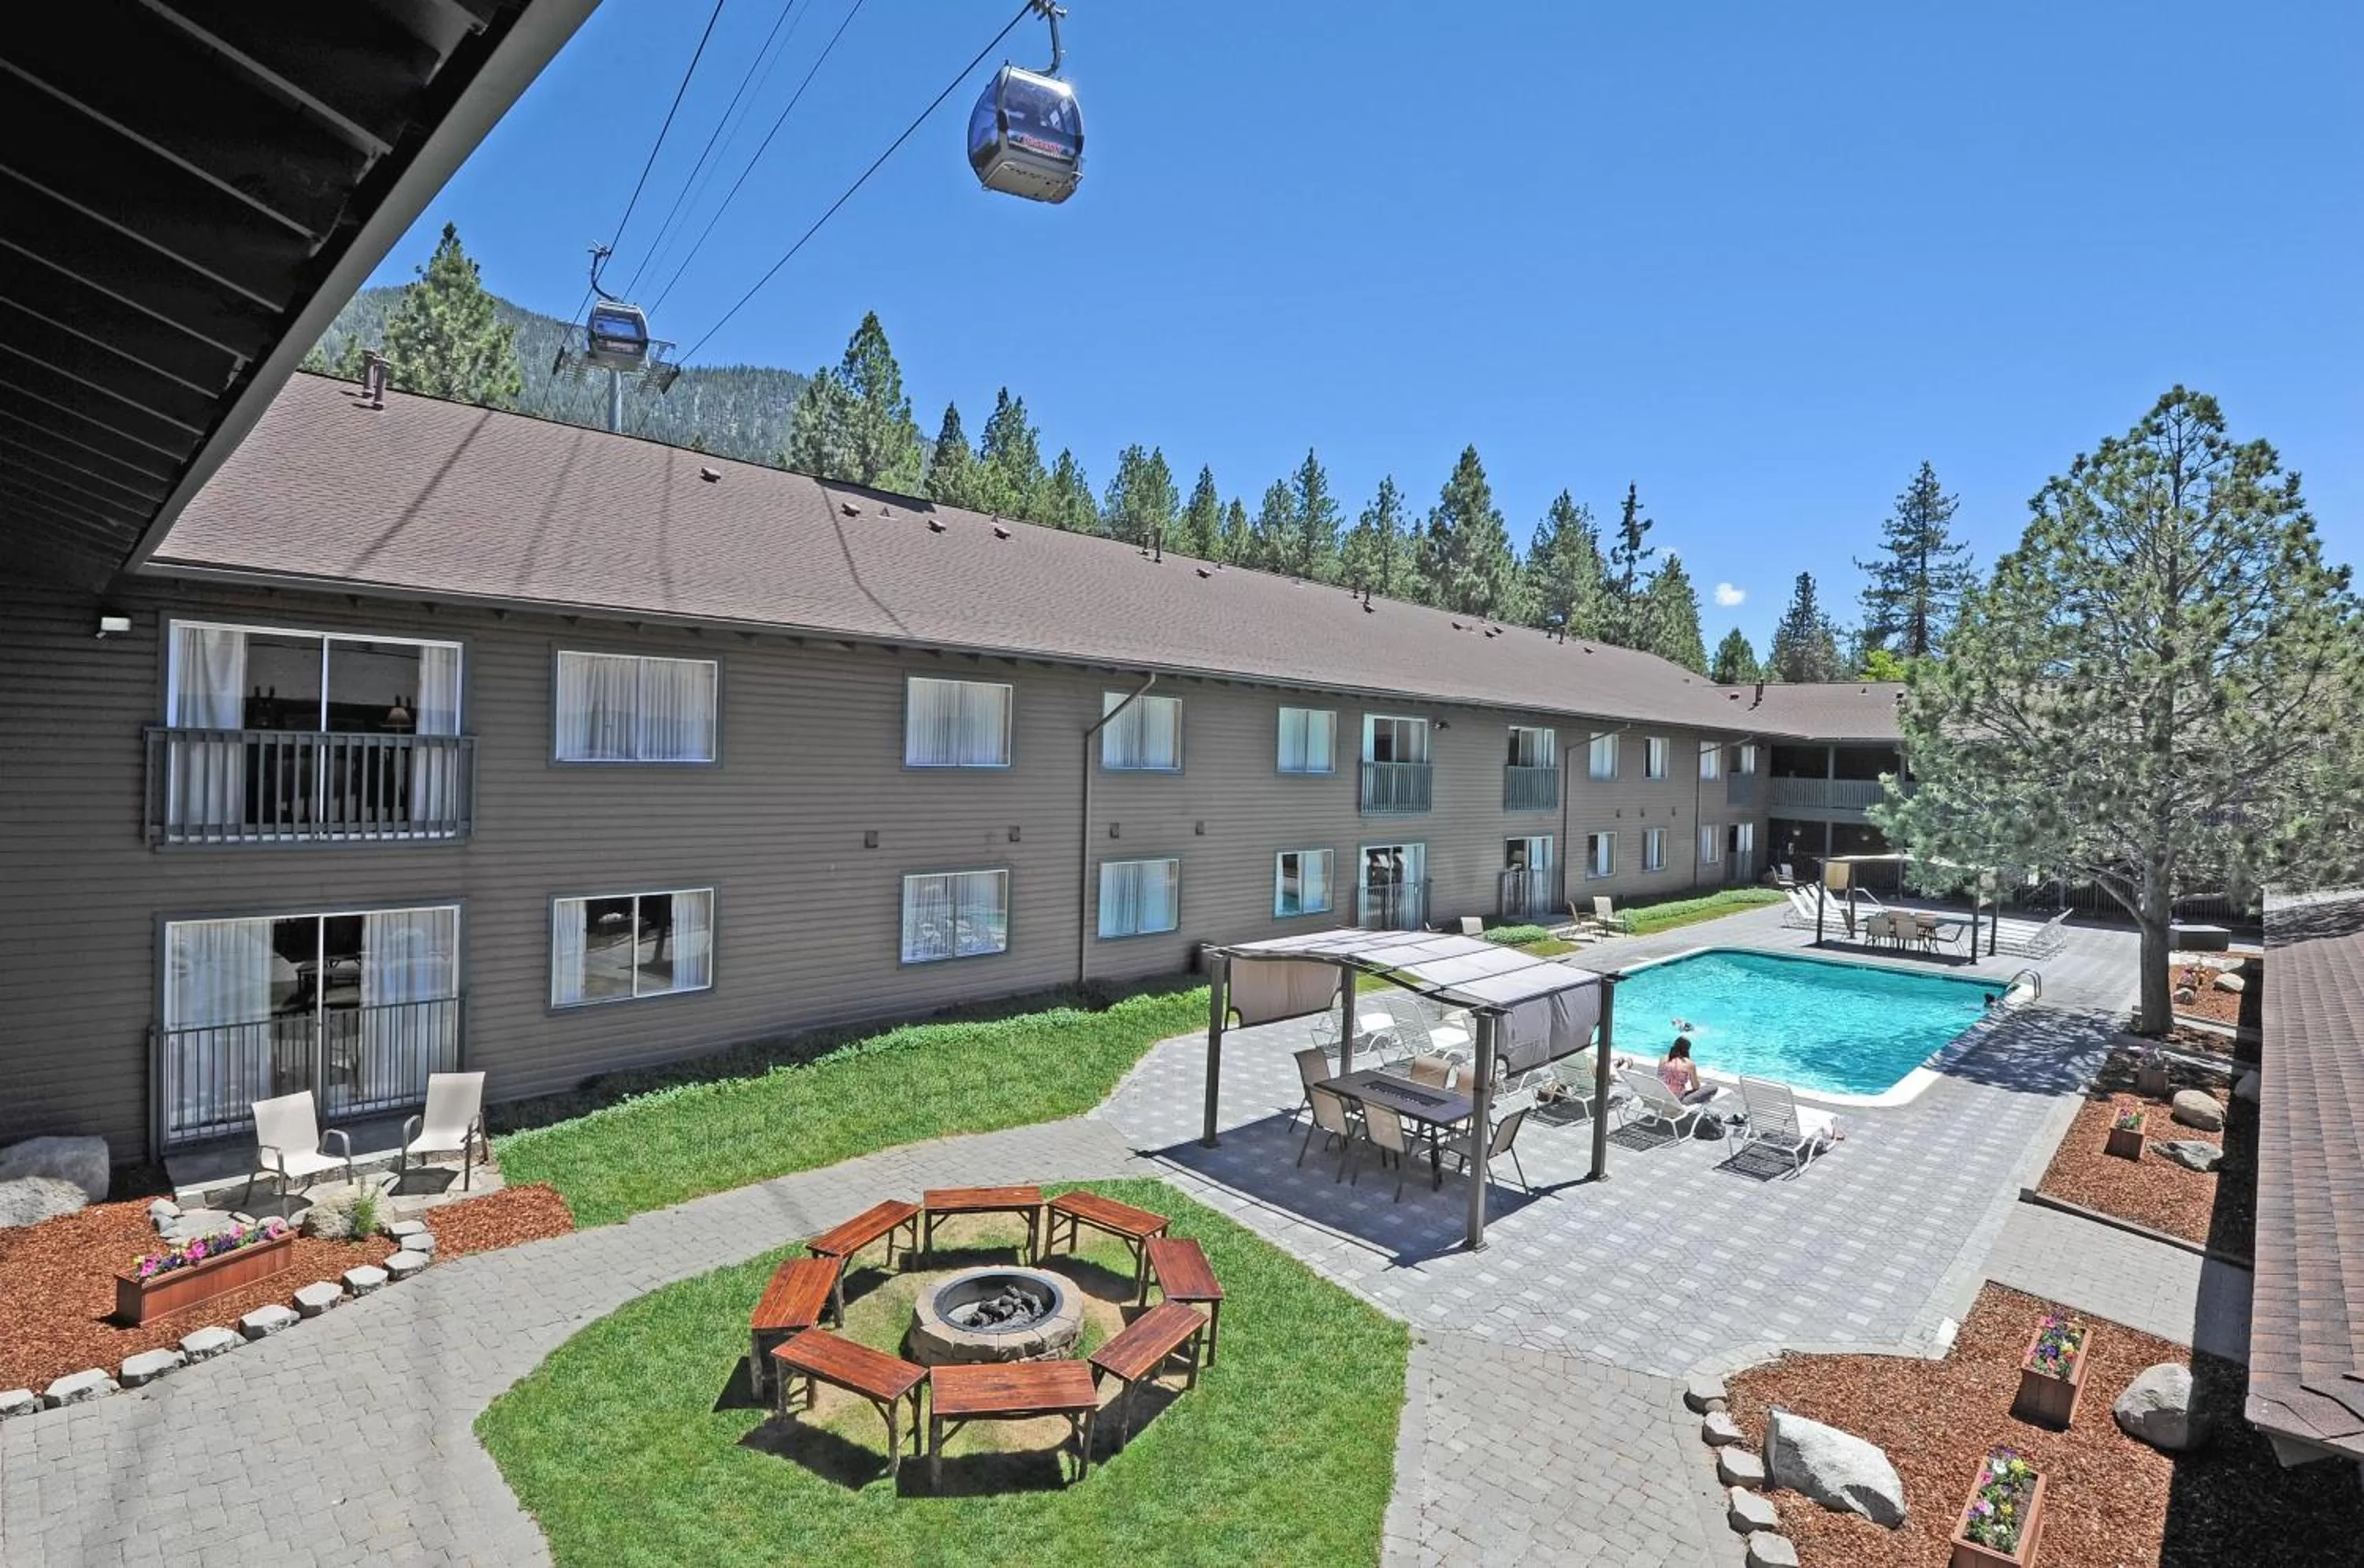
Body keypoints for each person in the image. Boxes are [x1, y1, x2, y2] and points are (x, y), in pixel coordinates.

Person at [1657, 1036, 1719, 1106]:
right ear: (1687, 1049)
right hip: (1679, 1100)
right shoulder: (1689, 1064)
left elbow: (1660, 1076)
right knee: (1713, 1087)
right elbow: (1696, 1087)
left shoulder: (1663, 1058)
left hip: (1662, 1095)